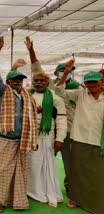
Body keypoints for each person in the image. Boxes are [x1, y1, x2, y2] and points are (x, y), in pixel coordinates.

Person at [0, 37, 38, 213]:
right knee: (1, 171)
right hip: (4, 140)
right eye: (14, 79)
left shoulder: (26, 95)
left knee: (19, 171)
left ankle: (16, 198)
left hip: (20, 140)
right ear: (8, 82)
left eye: (20, 80)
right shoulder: (2, 92)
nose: (18, 82)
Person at [25, 36, 80, 192]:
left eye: (68, 71)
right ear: (56, 72)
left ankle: (72, 188)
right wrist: (31, 50)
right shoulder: (49, 84)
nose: (66, 73)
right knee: (36, 160)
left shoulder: (77, 88)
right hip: (43, 130)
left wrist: (59, 137)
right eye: (62, 71)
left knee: (68, 161)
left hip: (67, 128)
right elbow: (36, 68)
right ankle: (34, 188)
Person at [55, 62, 104, 214]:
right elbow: (59, 90)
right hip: (79, 139)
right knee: (77, 172)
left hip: (98, 141)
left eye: (94, 82)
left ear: (101, 82)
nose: (91, 85)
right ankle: (75, 199)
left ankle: (95, 202)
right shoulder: (80, 93)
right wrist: (65, 73)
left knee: (97, 173)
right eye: (88, 82)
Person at [26, 71, 67, 207]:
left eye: (41, 81)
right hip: (29, 136)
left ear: (47, 83)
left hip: (47, 137)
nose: (38, 83)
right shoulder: (27, 95)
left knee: (46, 164)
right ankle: (31, 190)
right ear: (32, 82)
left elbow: (61, 120)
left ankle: (45, 191)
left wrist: (60, 139)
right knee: (31, 163)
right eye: (36, 80)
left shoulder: (56, 99)